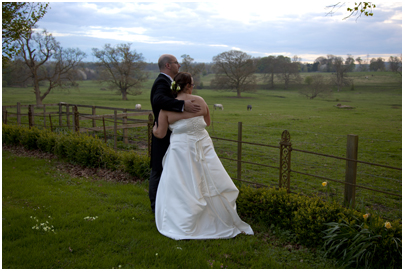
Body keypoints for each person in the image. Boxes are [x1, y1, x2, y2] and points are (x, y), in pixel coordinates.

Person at [153, 72, 254, 240]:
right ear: (187, 86)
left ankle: (183, 220)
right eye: (192, 84)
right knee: (209, 179)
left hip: (181, 150)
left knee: (183, 183)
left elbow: (161, 133)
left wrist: (154, 130)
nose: (194, 86)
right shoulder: (199, 101)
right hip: (203, 146)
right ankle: (216, 216)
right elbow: (207, 122)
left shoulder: (165, 110)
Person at [149, 54, 201, 214]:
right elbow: (158, 100)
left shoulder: (168, 82)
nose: (179, 65)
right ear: (167, 65)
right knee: (158, 169)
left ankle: (171, 204)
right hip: (162, 134)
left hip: (173, 133)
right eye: (176, 63)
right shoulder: (161, 82)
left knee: (171, 170)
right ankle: (155, 207)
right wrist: (182, 104)